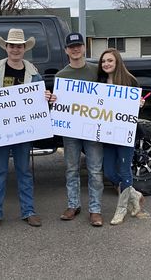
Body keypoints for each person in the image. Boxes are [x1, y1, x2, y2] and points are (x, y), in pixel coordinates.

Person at [0, 28, 54, 229]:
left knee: (24, 171)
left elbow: (40, 103)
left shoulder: (34, 74)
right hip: (0, 130)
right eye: (12, 46)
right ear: (6, 47)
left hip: (24, 131)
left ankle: (29, 211)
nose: (15, 49)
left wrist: (46, 98)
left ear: (25, 49)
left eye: (19, 46)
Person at [56, 32, 105, 227]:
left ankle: (95, 209)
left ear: (84, 48)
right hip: (71, 131)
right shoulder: (61, 76)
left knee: (94, 170)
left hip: (93, 129)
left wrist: (135, 100)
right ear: (66, 50)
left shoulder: (97, 72)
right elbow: (59, 104)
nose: (75, 49)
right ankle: (73, 205)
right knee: (72, 168)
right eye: (71, 46)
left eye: (78, 46)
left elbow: (112, 94)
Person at [97, 48, 146, 225]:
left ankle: (121, 210)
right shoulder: (99, 82)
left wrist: (139, 104)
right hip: (108, 133)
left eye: (110, 60)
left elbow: (134, 107)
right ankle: (135, 194)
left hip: (126, 132)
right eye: (103, 61)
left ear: (117, 62)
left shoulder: (130, 81)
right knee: (109, 171)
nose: (106, 64)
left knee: (125, 171)